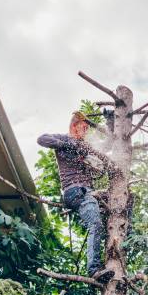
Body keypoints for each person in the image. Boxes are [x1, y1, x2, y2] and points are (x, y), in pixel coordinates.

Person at [37, 112, 113, 283]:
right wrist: (67, 146)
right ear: (74, 126)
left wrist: (110, 122)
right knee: (95, 223)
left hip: (87, 191)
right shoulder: (66, 139)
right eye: (83, 128)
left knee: (112, 208)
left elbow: (108, 144)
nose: (85, 132)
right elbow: (42, 139)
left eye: (87, 129)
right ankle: (94, 269)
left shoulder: (85, 146)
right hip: (74, 190)